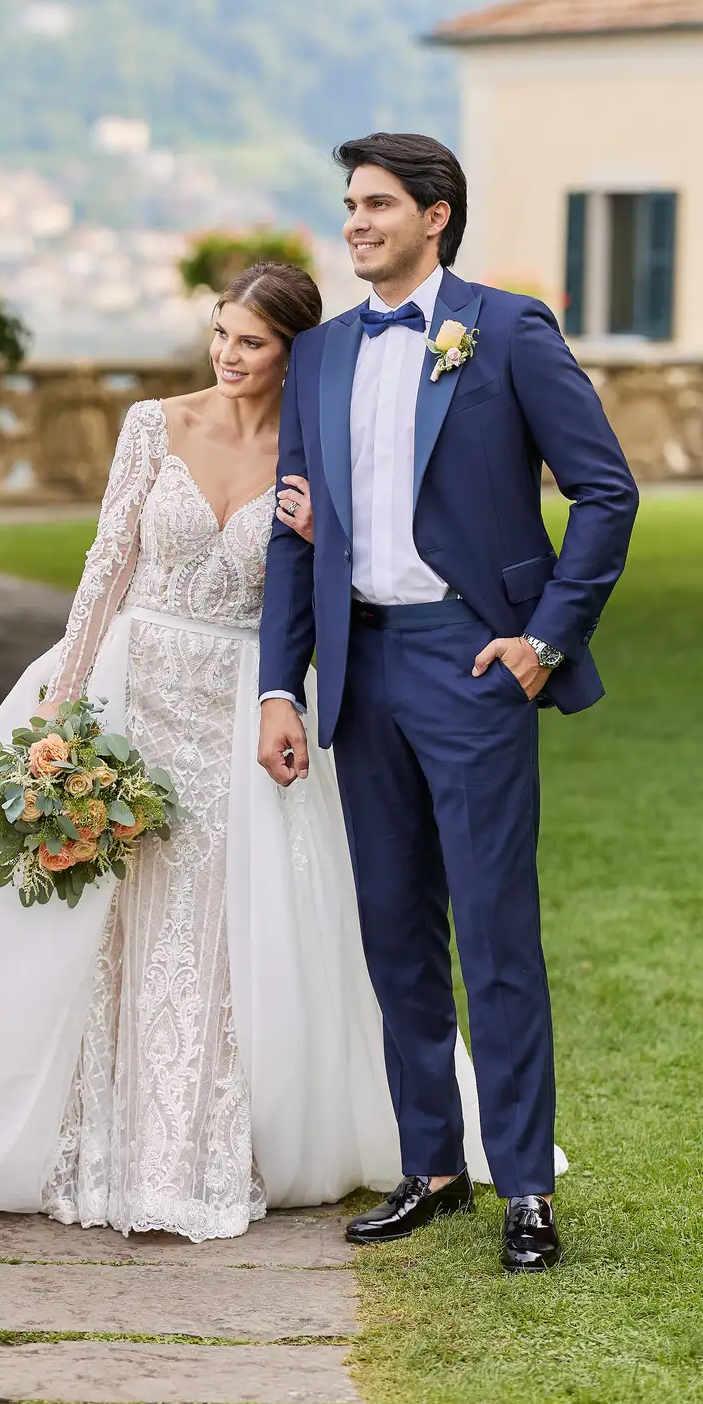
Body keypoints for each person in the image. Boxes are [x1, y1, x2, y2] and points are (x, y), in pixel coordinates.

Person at [0, 262, 496, 1238]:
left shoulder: (313, 448)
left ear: (292, 352)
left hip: (246, 704)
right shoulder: (153, 425)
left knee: (226, 929)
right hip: (130, 682)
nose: (227, 356)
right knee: (90, 921)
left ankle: (208, 1137)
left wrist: (324, 534)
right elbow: (104, 567)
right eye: (219, 335)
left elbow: (349, 586)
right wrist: (59, 715)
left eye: (250, 342)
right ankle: (57, 1120)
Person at [258, 133, 637, 1273]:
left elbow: (604, 493)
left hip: (471, 666)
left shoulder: (507, 328)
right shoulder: (319, 354)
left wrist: (541, 642)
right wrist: (282, 682)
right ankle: (430, 1165)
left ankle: (522, 1185)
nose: (354, 221)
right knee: (392, 930)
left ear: (434, 215)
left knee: (493, 930)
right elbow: (290, 533)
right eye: (347, 204)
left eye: (375, 204)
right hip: (356, 672)